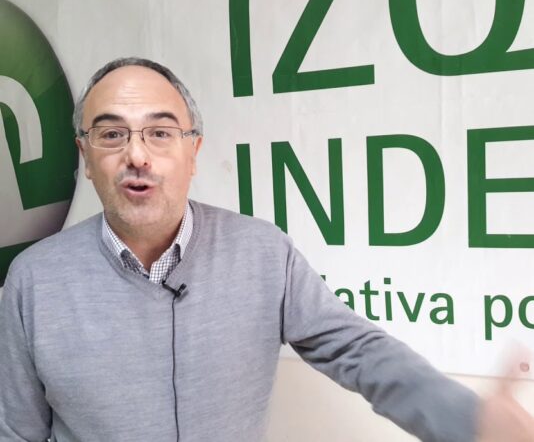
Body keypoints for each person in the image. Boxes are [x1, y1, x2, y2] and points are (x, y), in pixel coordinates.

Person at [0, 57, 532, 442]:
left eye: (160, 133)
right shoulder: (32, 281)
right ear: (85, 157)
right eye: (112, 135)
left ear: (193, 151)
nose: (137, 155)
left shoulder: (262, 252)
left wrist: (468, 420)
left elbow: (357, 350)